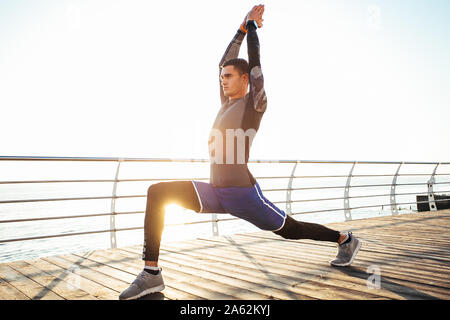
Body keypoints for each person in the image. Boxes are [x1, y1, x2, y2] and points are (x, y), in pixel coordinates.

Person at [119, 5, 361, 300]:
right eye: (222, 76)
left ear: (245, 79)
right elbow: (225, 60)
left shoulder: (253, 104)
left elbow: (256, 65)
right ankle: (151, 274)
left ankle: (344, 239)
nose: (223, 79)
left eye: (229, 76)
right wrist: (240, 29)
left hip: (244, 196)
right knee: (157, 192)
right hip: (215, 191)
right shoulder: (225, 103)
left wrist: (253, 27)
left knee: (290, 229)